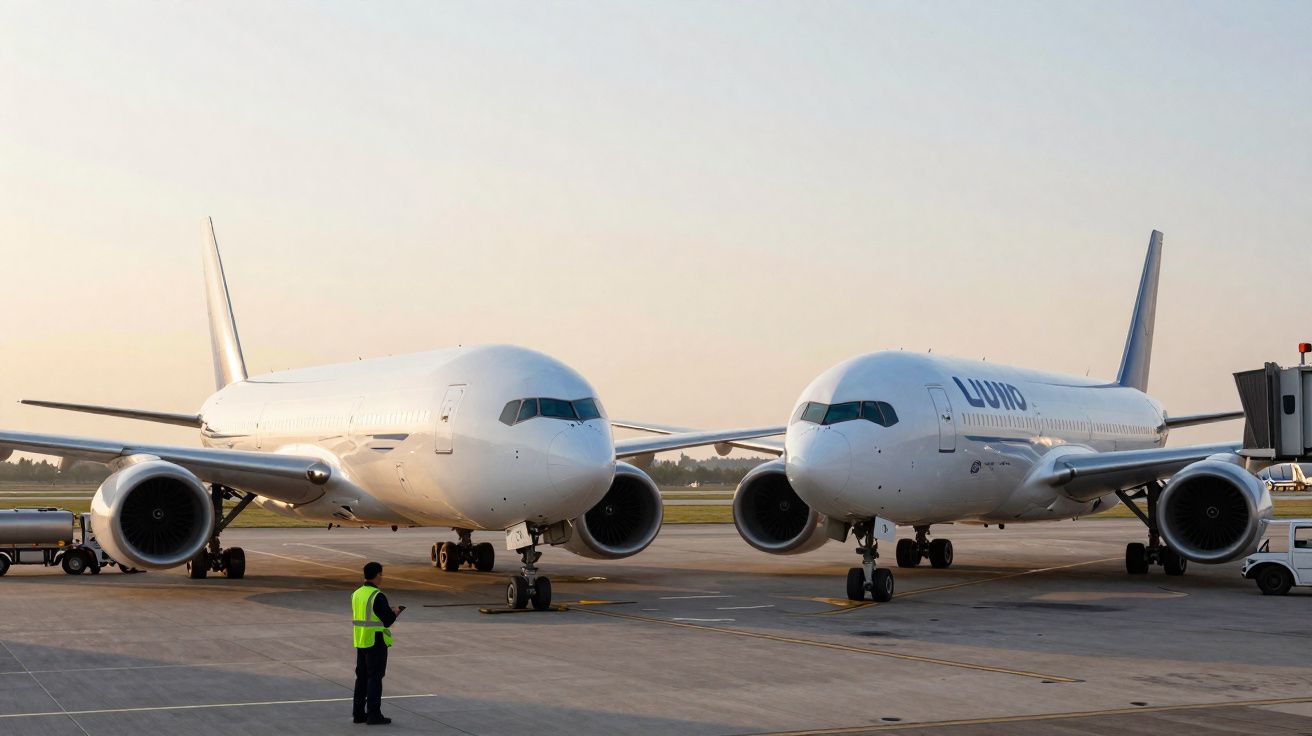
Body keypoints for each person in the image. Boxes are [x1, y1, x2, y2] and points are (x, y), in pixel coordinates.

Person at [352, 561, 402, 725]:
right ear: (378, 575)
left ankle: (358, 714)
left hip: (360, 640)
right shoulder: (377, 596)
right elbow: (386, 620)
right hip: (376, 641)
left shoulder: (357, 593)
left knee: (361, 678)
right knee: (375, 678)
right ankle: (374, 714)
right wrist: (395, 612)